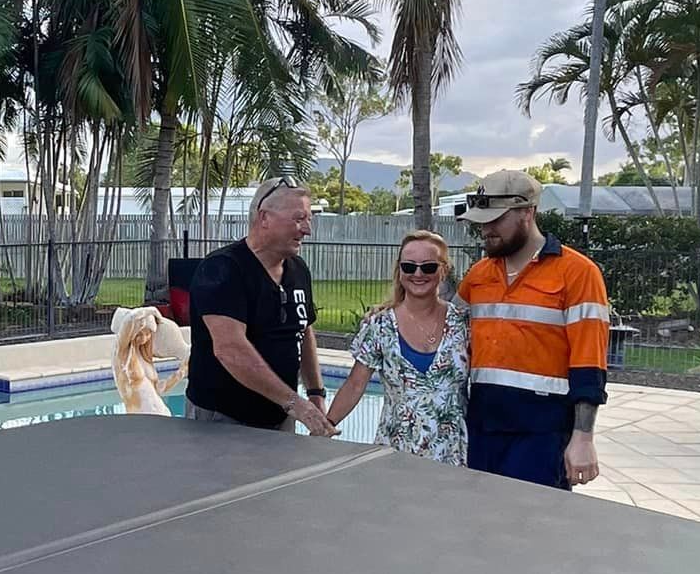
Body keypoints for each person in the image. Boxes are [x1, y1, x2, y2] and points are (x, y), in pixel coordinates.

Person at [457, 170, 609, 489]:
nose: (486, 229)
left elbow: (589, 363)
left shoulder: (579, 273)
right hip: (482, 429)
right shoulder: (479, 274)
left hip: (542, 436)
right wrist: (395, 306)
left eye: (496, 220)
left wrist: (583, 438)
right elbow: (442, 326)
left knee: (530, 530)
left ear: (528, 212)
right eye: (482, 221)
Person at [185, 178, 333, 434]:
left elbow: (303, 331)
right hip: (222, 420)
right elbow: (230, 350)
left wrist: (315, 393)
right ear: (264, 218)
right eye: (299, 219)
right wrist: (296, 404)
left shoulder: (298, 270)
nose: (307, 229)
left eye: (309, 219)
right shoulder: (222, 269)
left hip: (280, 415)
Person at [326, 230, 469, 462]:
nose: (418, 274)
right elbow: (354, 385)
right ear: (400, 271)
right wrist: (326, 425)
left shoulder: (464, 324)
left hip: (452, 454)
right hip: (395, 452)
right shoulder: (379, 325)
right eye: (409, 267)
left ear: (444, 270)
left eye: (428, 267)